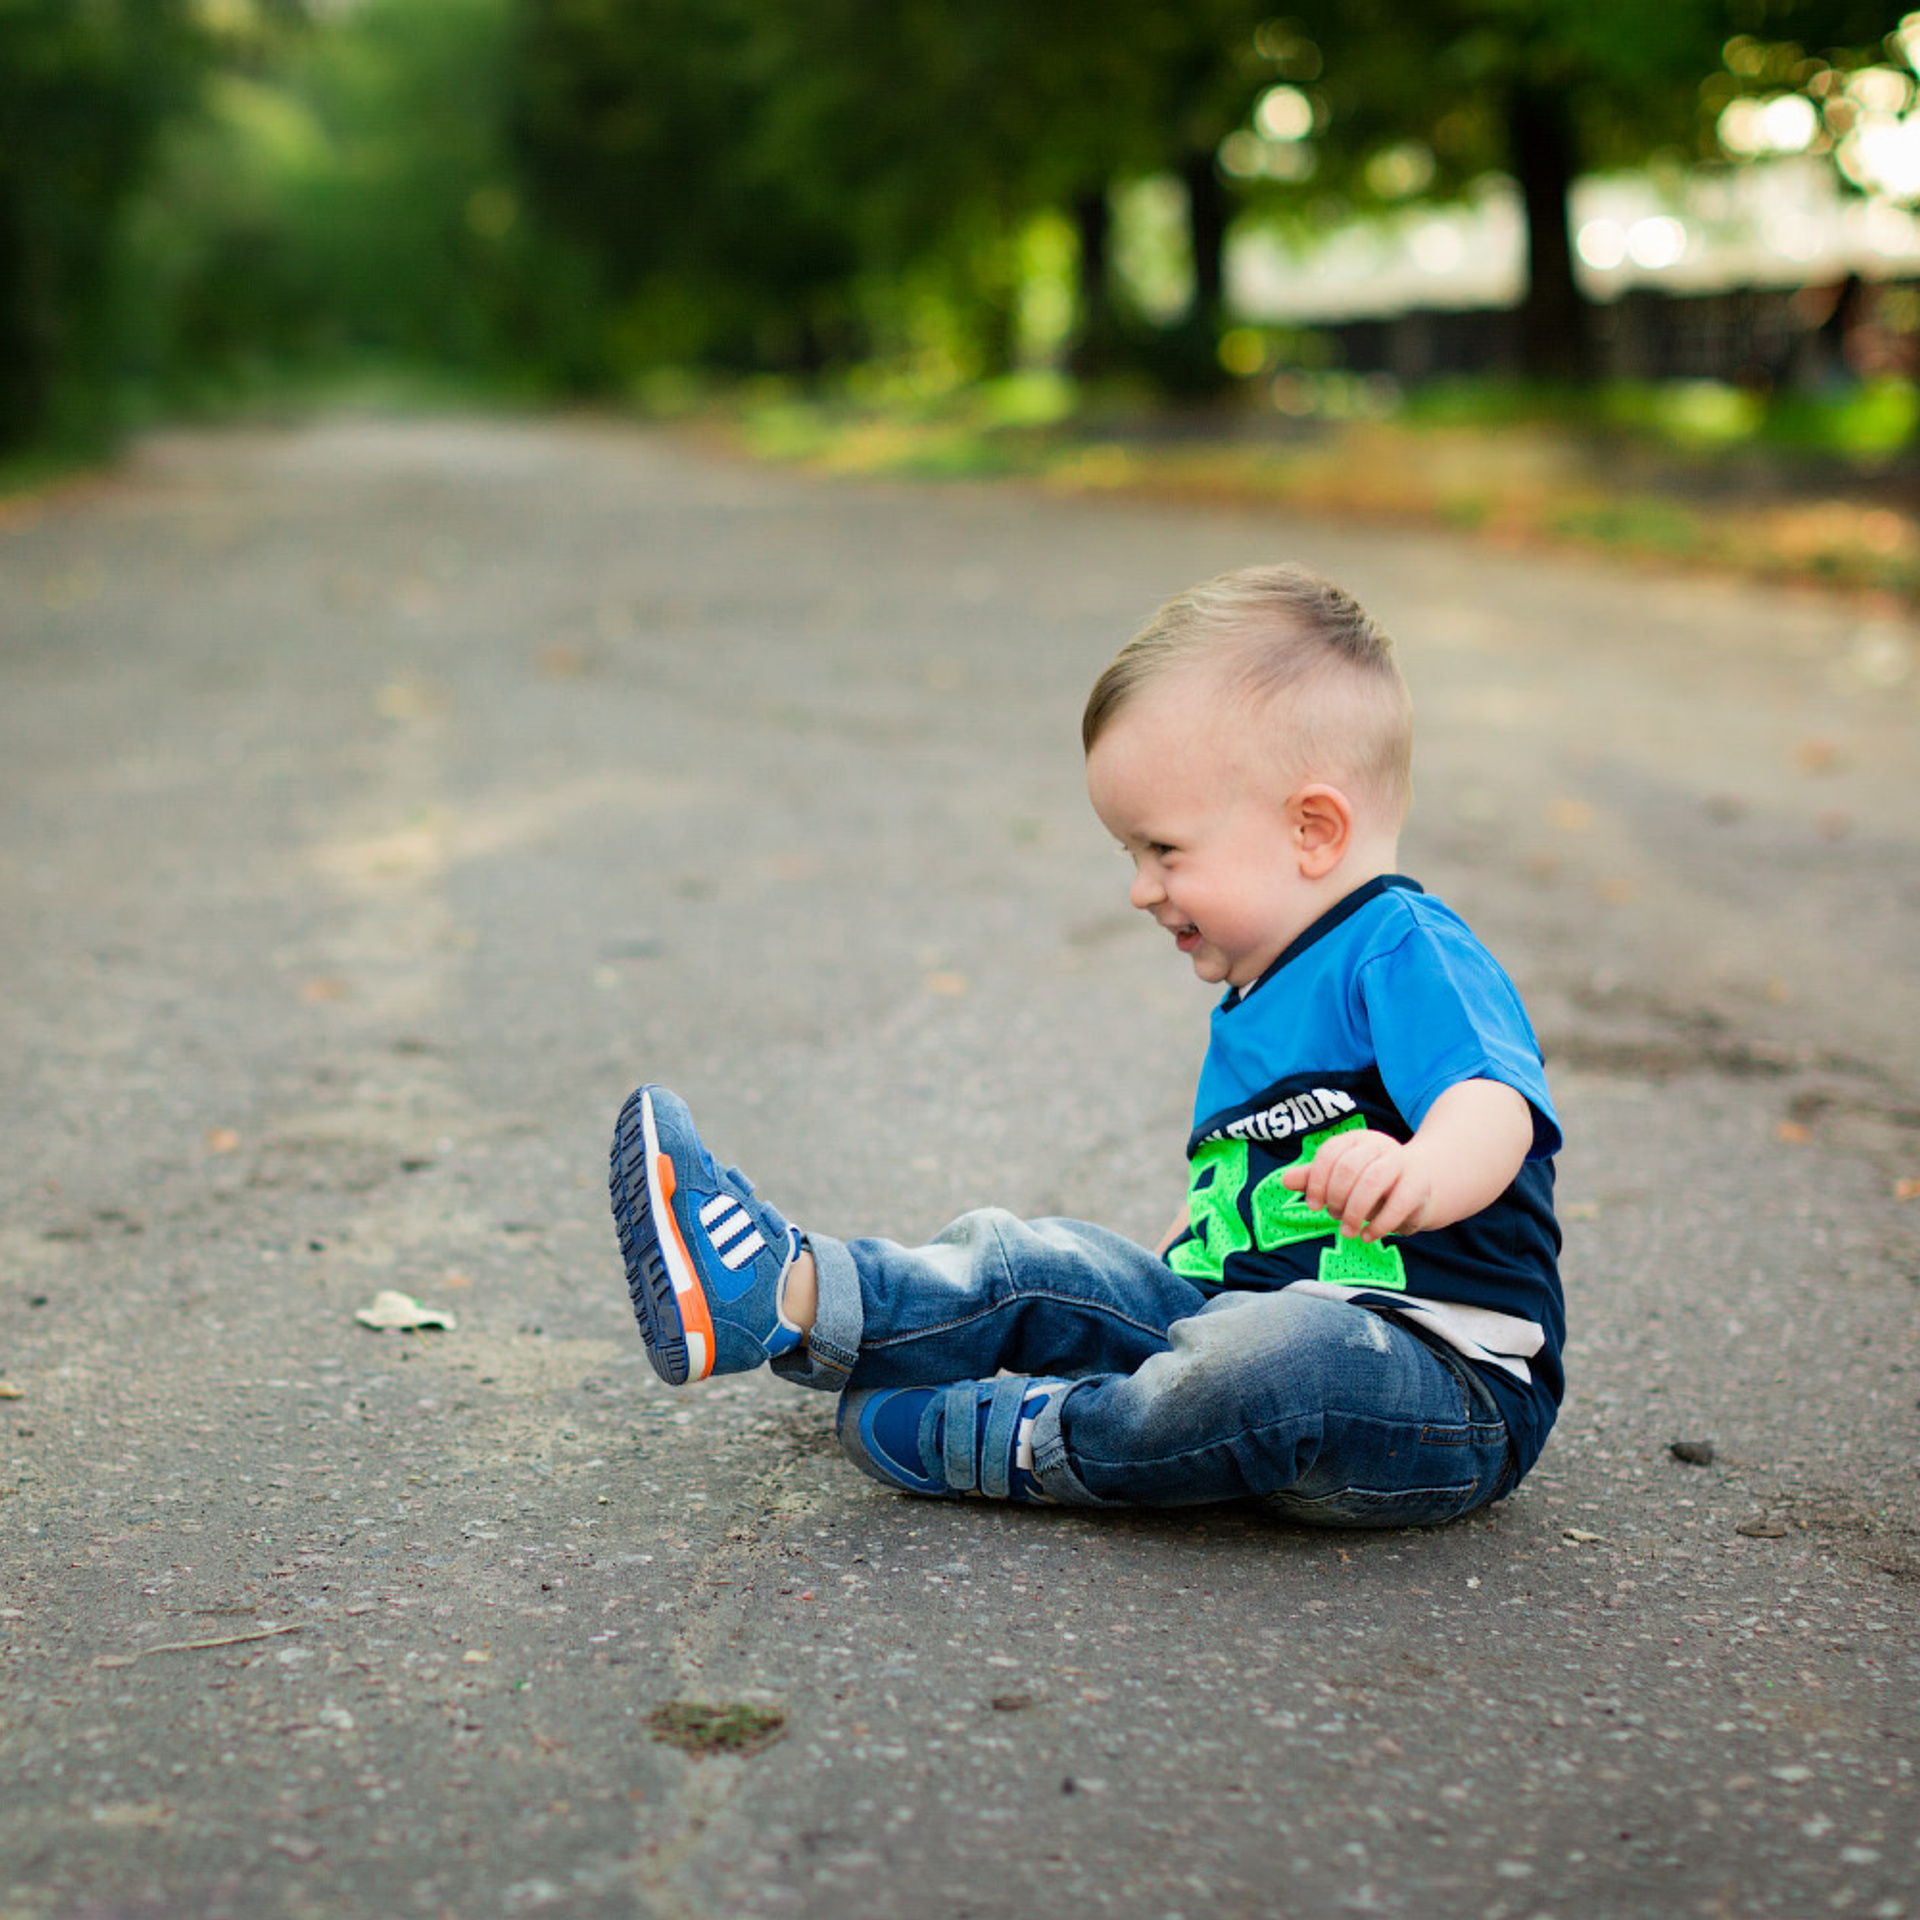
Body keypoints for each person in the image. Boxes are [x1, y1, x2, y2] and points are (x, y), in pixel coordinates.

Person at [609, 564, 1564, 1524]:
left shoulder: (1405, 949)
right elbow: (1237, 1213)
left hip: (1439, 1386)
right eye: (1130, 857)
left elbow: (1494, 1103)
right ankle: (781, 1291)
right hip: (1236, 1324)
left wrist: (1421, 1173)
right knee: (1042, 1262)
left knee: (1274, 1360)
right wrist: (1150, 1277)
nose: (1142, 889)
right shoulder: (1258, 994)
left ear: (1312, 829)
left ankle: (1031, 1437)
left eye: (1165, 851)